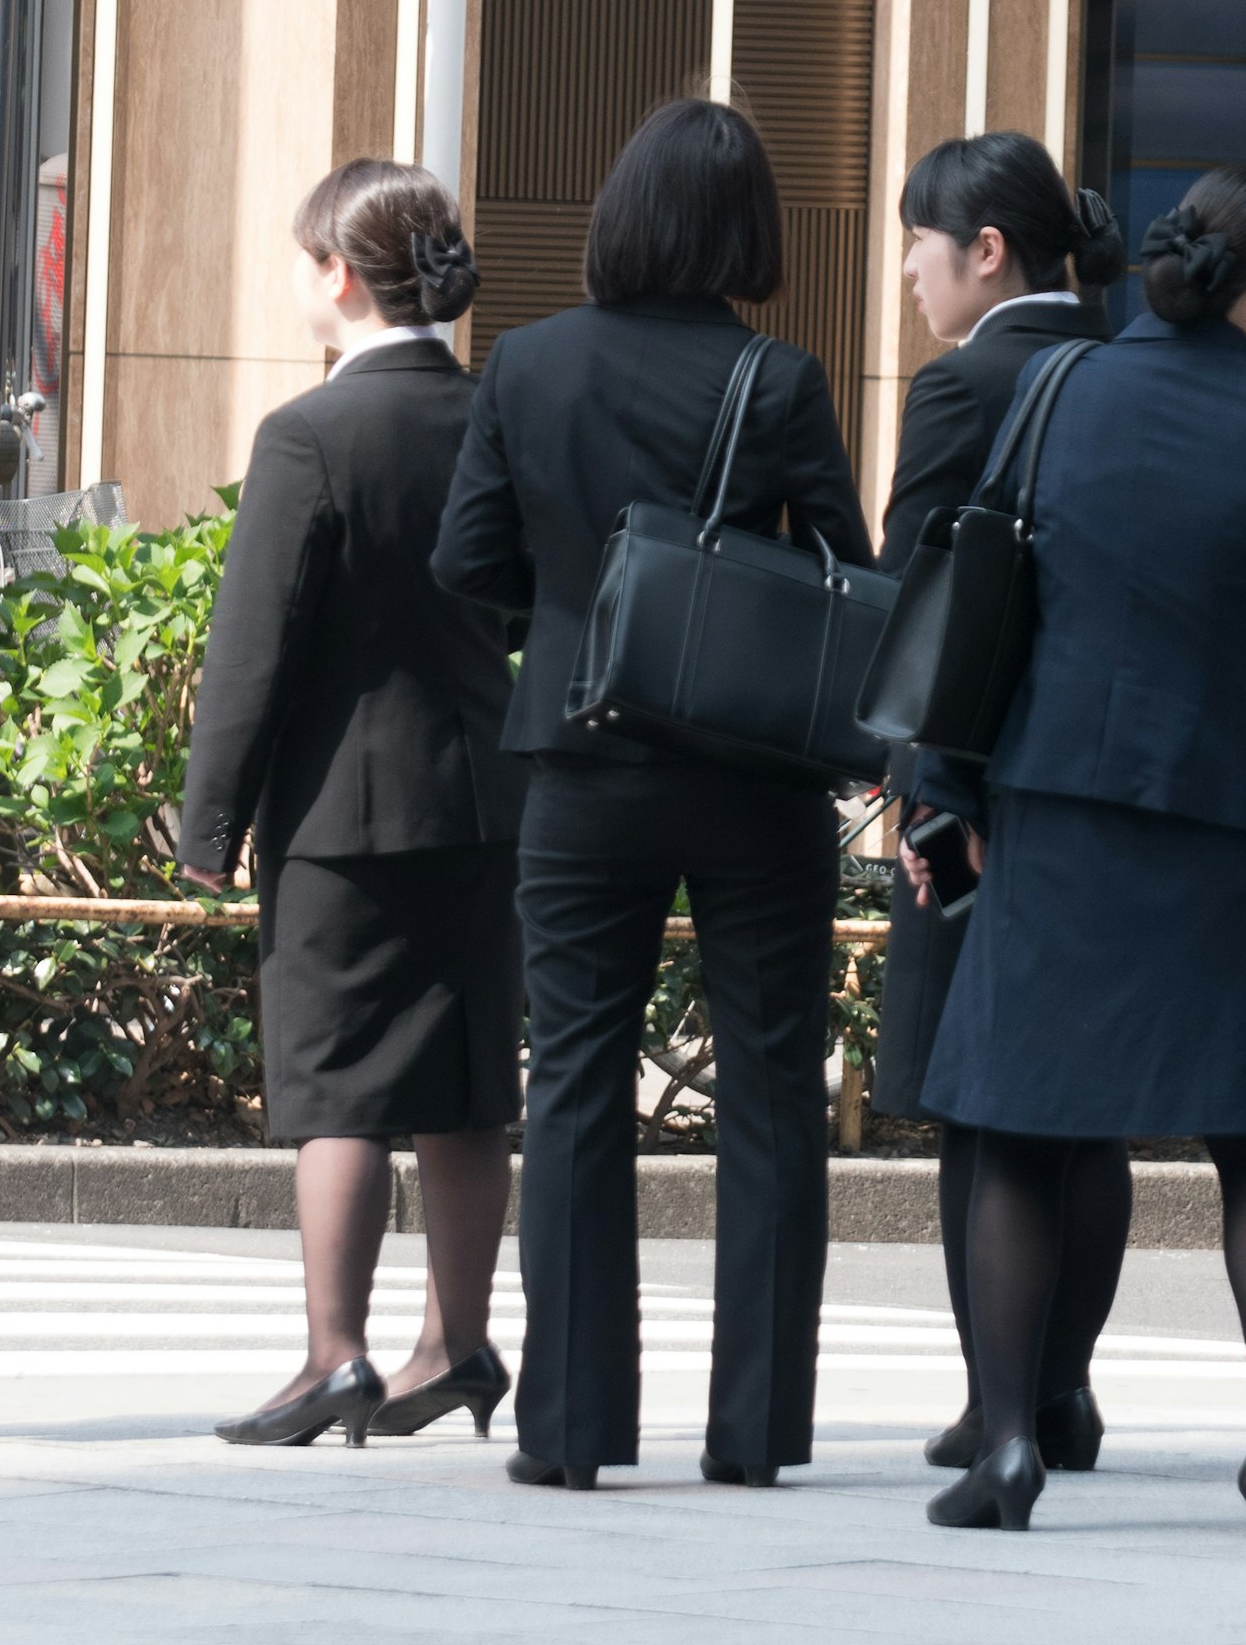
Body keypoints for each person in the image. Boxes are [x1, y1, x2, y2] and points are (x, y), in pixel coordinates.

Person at [905, 164, 1246, 1538]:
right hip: (1233, 820)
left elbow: (980, 599)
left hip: (1054, 807)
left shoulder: (1058, 394)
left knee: (1023, 1134)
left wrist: (947, 796)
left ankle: (1004, 1448)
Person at [432, 98, 872, 1492]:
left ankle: (568, 1430)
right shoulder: (783, 381)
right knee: (770, 1086)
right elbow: (846, 580)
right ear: (747, 230)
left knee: (569, 1079)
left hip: (579, 760)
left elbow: (467, 561)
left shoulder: (527, 365)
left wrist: (573, 612)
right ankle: (753, 1432)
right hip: (755, 779)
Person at [178, 161, 524, 1451]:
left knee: (339, 1089)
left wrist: (210, 826)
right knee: (469, 1082)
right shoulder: (497, 417)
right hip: (489, 798)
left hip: (343, 817)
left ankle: (335, 1356)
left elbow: (252, 650)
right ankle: (462, 1343)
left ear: (338, 273)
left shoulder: (310, 436)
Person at [870, 134, 1131, 1478]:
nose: (907, 269)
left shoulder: (965, 383)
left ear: (987, 250)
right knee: (1082, 1101)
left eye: (921, 240)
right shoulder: (1126, 371)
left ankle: (999, 1401)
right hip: (1108, 788)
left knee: (980, 1104)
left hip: (973, 796)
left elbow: (917, 594)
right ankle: (1068, 1388)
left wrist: (920, 793)